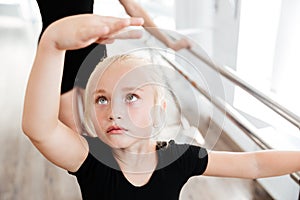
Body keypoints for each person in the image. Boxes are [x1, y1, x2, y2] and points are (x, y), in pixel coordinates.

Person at [22, 15, 300, 200]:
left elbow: (253, 163)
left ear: (159, 107)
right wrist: (52, 44)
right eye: (102, 99)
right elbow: (40, 129)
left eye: (130, 97)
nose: (113, 112)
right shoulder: (89, 157)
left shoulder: (180, 159)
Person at [35, 0, 190, 134]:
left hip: (90, 49)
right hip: (58, 53)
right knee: (74, 131)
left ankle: (110, 166)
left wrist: (168, 42)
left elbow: (133, 7)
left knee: (104, 123)